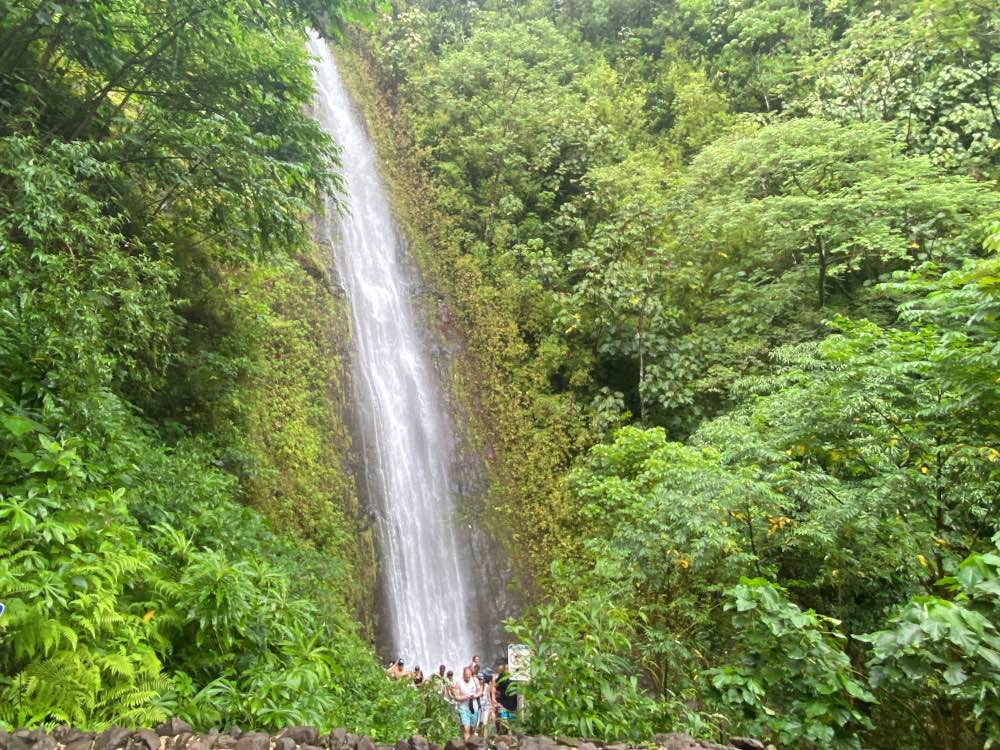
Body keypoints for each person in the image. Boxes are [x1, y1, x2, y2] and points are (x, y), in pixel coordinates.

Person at [451, 666, 482, 740]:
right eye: (466, 676)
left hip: (474, 708)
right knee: (466, 729)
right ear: (463, 674)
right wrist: (466, 697)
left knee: (472, 730)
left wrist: (475, 695)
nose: (468, 678)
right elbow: (456, 697)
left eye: (469, 676)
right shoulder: (458, 682)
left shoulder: (475, 680)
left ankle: (470, 744)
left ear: (471, 674)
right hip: (463, 709)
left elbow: (480, 691)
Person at [494, 661, 517, 732]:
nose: (507, 670)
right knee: (504, 721)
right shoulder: (501, 676)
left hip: (513, 704)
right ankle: (504, 736)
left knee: (511, 722)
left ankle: (509, 736)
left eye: (508, 668)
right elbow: (495, 686)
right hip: (503, 703)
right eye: (506, 668)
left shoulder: (515, 677)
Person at [478, 673, 496, 738]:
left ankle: (484, 739)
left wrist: (491, 706)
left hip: (486, 706)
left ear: (484, 679)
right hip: (478, 707)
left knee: (484, 723)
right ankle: (480, 738)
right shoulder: (476, 686)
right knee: (480, 723)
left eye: (481, 679)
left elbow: (488, 696)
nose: (480, 680)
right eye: (478, 679)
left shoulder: (486, 686)